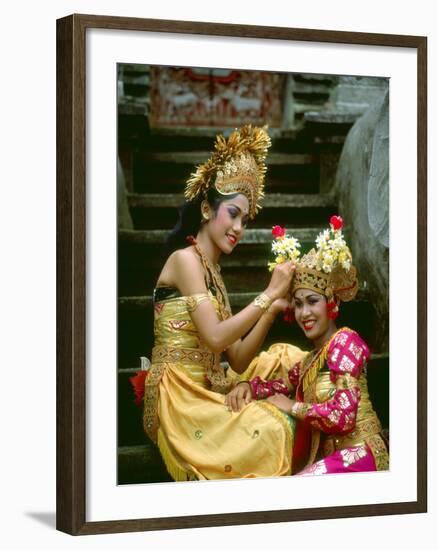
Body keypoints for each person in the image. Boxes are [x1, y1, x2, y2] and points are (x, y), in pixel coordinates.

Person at [139, 125, 305, 480]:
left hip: (213, 382)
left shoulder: (213, 272)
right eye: (233, 213)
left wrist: (272, 310)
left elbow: (238, 357)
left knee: (288, 358)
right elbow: (215, 337)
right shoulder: (185, 261)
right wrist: (269, 294)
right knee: (273, 428)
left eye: (245, 219)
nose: (239, 227)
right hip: (181, 395)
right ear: (205, 209)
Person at [225, 216, 389, 475]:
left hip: (361, 455)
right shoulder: (310, 361)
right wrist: (247, 386)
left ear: (331, 303)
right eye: (298, 304)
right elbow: (277, 386)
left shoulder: (345, 342)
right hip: (334, 460)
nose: (304, 313)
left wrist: (293, 407)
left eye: (313, 301)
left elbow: (343, 417)